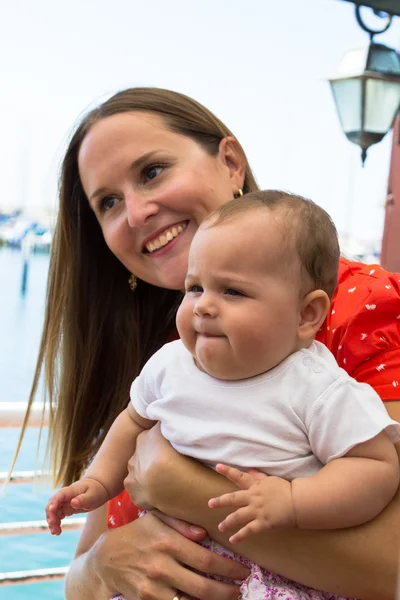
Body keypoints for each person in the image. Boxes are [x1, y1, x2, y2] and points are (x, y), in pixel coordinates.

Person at [14, 87, 400, 600]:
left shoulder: (361, 307)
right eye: (108, 202)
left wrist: (186, 492)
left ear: (231, 163)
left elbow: (387, 569)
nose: (135, 212)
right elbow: (82, 576)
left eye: (152, 171)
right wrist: (100, 566)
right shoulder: (172, 350)